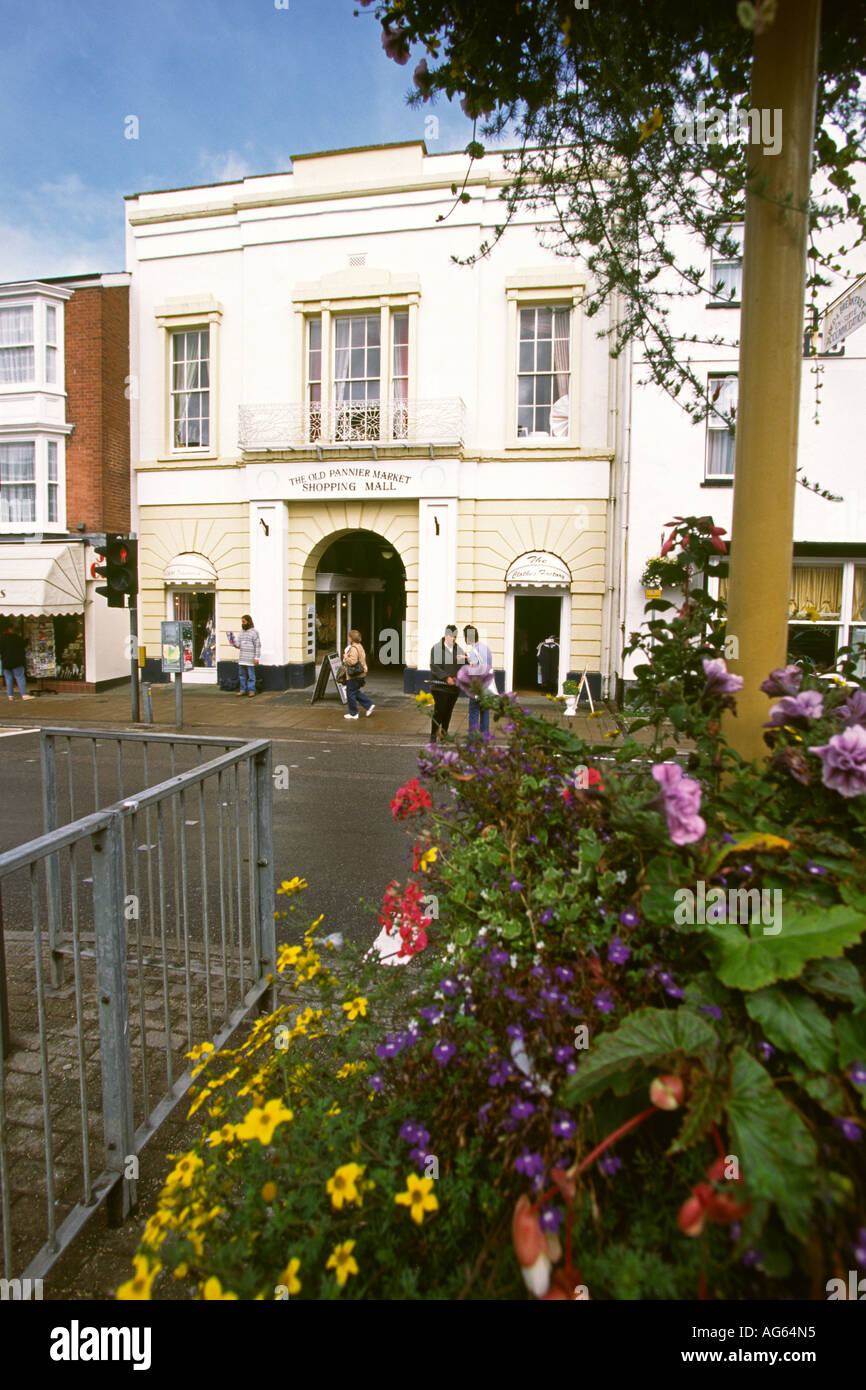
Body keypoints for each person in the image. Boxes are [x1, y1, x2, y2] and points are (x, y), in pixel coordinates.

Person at [428, 624, 464, 741]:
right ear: (445, 635)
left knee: (448, 711)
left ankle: (444, 733)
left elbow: (463, 667)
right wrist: (446, 678)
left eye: (455, 636)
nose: (453, 639)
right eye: (450, 636)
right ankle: (433, 734)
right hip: (439, 686)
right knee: (440, 710)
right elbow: (434, 666)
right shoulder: (437, 648)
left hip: (453, 688)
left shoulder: (459, 650)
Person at [461, 624, 495, 735]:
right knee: (485, 712)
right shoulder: (486, 648)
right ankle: (484, 739)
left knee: (474, 712)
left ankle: (473, 741)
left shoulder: (474, 651)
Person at [342, 629, 374, 720]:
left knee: (350, 693)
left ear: (351, 638)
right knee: (355, 691)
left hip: (354, 675)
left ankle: (354, 713)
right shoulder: (360, 646)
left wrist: (346, 657)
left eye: (349, 637)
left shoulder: (353, 648)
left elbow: (353, 662)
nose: (348, 638)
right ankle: (369, 705)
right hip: (361, 674)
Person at [228, 614, 261, 695]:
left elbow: (258, 646)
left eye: (244, 622)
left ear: (248, 622)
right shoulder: (241, 632)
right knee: (242, 675)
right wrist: (234, 644)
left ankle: (251, 691)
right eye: (242, 622)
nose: (242, 624)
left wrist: (256, 658)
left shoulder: (254, 632)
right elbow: (238, 644)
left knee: (251, 676)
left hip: (250, 658)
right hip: (242, 658)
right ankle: (242, 690)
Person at [0, 624, 33, 701]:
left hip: (5, 661)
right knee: (20, 677)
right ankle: (24, 694)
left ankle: (10, 695)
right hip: (16, 661)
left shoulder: (1, 638)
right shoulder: (15, 637)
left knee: (8, 678)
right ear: (10, 629)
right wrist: (27, 638)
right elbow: (23, 644)